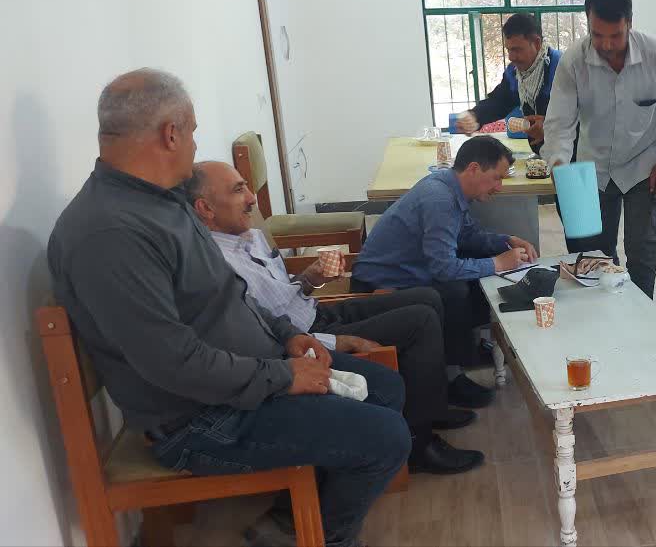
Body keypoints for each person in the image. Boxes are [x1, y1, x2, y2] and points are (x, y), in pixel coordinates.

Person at [47, 68, 407, 547]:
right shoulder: (111, 234)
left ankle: (296, 519)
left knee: (385, 388)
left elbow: (231, 292)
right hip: (201, 420)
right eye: (193, 131)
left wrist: (287, 334)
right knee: (385, 437)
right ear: (170, 134)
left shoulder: (163, 201)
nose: (195, 144)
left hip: (248, 374)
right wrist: (283, 376)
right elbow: (173, 364)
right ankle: (323, 537)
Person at [185, 160, 488, 474]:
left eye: (247, 186)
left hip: (315, 311)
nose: (251, 198)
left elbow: (278, 296)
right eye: (238, 190)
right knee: (420, 321)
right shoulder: (215, 267)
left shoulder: (248, 235)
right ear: (206, 208)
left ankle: (435, 403)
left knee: (428, 297)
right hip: (305, 338)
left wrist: (310, 278)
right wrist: (335, 341)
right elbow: (261, 333)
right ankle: (419, 445)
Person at [541, 0, 656, 298]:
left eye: (616, 35)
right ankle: (606, 318)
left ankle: (643, 316)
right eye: (597, 35)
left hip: (643, 166)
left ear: (630, 24)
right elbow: (559, 122)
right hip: (592, 169)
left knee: (642, 251)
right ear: (587, 24)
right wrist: (559, 163)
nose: (606, 45)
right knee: (594, 256)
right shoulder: (574, 61)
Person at [352, 135, 538, 363]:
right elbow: (443, 269)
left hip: (409, 268)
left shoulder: (449, 184)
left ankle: (467, 347)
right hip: (381, 281)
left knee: (479, 267)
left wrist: (507, 241)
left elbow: (466, 235)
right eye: (496, 178)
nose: (499, 187)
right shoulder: (439, 199)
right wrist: (498, 263)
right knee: (456, 289)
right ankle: (454, 365)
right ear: (474, 169)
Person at [451, 13, 561, 154]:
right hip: (544, 154)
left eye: (517, 49)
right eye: (508, 50)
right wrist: (475, 116)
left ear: (537, 43)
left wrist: (551, 126)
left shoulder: (561, 68)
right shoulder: (514, 73)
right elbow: (499, 102)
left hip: (574, 155)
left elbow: (583, 113)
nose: (511, 57)